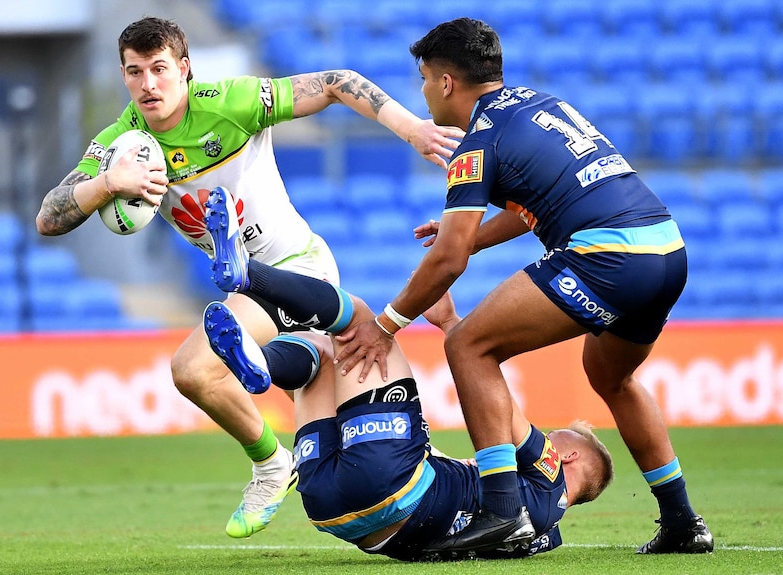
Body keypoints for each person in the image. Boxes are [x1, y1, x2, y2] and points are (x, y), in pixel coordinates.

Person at [35, 16, 464, 539]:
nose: (148, 84)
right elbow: (49, 217)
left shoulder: (229, 103)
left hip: (297, 269)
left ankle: (270, 464)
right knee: (353, 426)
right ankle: (478, 485)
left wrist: (413, 128)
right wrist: (108, 182)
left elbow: (335, 82)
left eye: (159, 69)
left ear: (184, 69)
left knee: (193, 368)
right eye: (134, 71)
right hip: (247, 285)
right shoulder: (121, 144)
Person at [330, 18, 713, 555]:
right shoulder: (541, 104)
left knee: (469, 346)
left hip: (609, 254)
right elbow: (539, 200)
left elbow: (448, 261)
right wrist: (469, 233)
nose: (422, 92)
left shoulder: (477, 142)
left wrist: (387, 325)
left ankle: (502, 510)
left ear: (445, 83)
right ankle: (681, 521)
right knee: (611, 377)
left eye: (422, 79)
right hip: (666, 249)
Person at [197, 193, 614, 561]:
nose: (548, 439)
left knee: (357, 324)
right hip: (331, 509)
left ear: (570, 456)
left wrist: (451, 323)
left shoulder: (550, 471)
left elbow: (501, 412)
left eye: (558, 437)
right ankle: (258, 363)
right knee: (321, 356)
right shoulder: (544, 534)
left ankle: (249, 274)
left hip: (394, 486)